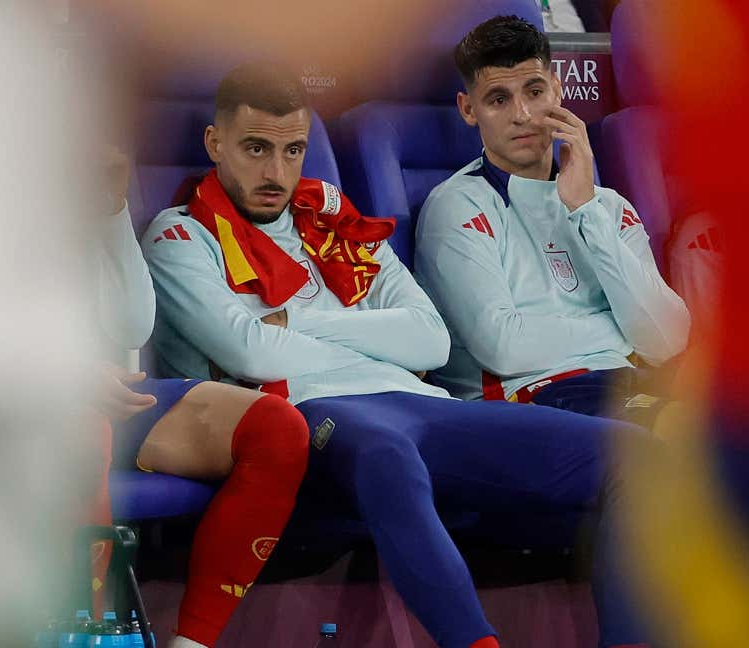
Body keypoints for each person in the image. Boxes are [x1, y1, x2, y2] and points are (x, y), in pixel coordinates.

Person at [142, 62, 653, 648]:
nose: (276, 172)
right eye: (256, 149)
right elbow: (251, 352)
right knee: (386, 453)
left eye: (293, 151)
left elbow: (429, 342)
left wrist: (301, 321)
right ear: (215, 143)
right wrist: (364, 331)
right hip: (310, 418)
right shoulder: (179, 235)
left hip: (424, 403)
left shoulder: (341, 230)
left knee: (639, 456)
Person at [413, 15, 690, 420]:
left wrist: (585, 210)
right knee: (682, 438)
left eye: (535, 90)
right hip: (529, 398)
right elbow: (504, 348)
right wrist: (622, 331)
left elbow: (668, 338)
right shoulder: (457, 205)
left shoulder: (607, 206)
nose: (522, 114)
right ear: (469, 109)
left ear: (558, 91)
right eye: (498, 99)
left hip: (625, 383)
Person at [92, 146, 309, 648]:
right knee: (80, 438)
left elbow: (131, 325)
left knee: (275, 429)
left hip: (105, 388)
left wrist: (109, 208)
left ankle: (191, 644)